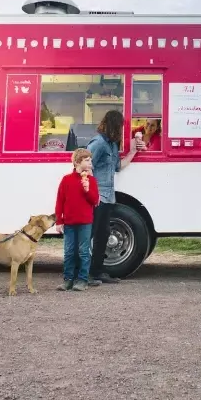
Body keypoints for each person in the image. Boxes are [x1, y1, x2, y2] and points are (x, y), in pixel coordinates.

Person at [86, 110, 140, 285]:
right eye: (119, 127)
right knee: (91, 234)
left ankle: (96, 272)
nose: (121, 130)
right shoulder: (99, 143)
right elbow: (86, 165)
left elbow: (117, 166)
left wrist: (133, 152)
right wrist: (90, 192)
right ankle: (83, 273)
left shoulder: (112, 145)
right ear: (113, 125)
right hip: (98, 196)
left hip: (108, 197)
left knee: (102, 235)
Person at [54, 148, 100, 292]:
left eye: (90, 160)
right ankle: (68, 279)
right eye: (87, 160)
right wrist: (59, 220)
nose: (90, 162)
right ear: (77, 162)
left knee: (83, 251)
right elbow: (60, 201)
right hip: (69, 222)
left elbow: (95, 201)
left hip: (85, 222)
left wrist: (87, 189)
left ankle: (82, 279)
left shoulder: (91, 180)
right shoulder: (66, 180)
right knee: (69, 251)